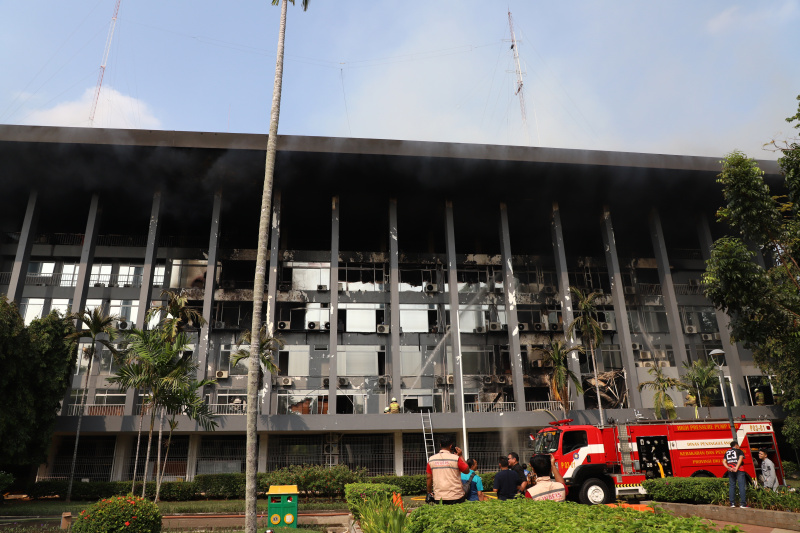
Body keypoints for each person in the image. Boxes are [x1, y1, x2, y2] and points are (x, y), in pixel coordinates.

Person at [426, 436, 470, 504]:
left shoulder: (431, 459)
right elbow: (467, 471)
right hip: (456, 495)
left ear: (440, 445)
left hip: (439, 496)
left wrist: (429, 492)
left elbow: (428, 477)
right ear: (451, 446)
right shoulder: (456, 458)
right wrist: (460, 455)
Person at [723, 440, 747, 508]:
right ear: (736, 445)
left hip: (730, 470)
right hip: (739, 470)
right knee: (741, 486)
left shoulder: (727, 452)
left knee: (732, 486)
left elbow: (724, 461)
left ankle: (732, 503)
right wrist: (736, 467)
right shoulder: (739, 451)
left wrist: (728, 467)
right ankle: (743, 504)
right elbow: (740, 459)